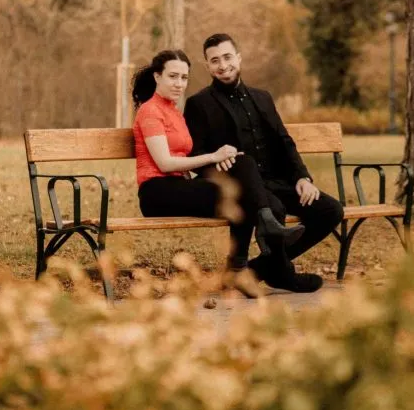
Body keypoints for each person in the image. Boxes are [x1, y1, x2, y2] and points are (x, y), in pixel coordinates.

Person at [183, 33, 345, 293]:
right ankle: (282, 274)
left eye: (227, 57)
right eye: (215, 61)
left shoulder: (263, 97)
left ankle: (259, 270)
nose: (223, 65)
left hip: (278, 180)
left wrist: (303, 178)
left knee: (331, 210)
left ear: (239, 58)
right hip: (244, 186)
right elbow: (197, 156)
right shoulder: (198, 104)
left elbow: (284, 142)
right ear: (207, 66)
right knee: (275, 208)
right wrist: (216, 165)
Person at [132, 49, 306, 268]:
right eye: (173, 76)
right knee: (239, 195)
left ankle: (262, 231)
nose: (179, 83)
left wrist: (225, 158)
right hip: (156, 192)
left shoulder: (174, 111)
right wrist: (213, 157)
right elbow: (165, 163)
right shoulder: (150, 111)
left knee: (242, 164)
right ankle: (242, 261)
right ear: (157, 76)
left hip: (179, 185)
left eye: (184, 77)